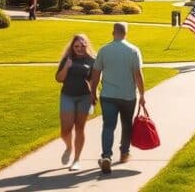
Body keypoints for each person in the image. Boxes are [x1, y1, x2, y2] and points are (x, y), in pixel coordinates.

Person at [89, 22, 146, 174]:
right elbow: (138, 75)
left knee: (108, 126)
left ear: (112, 32)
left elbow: (96, 73)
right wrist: (142, 94)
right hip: (128, 96)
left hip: (108, 95)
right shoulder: (133, 51)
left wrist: (93, 92)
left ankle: (106, 156)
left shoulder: (103, 50)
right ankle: (124, 153)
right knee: (127, 125)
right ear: (126, 33)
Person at [55, 34, 95, 171]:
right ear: (72, 46)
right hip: (67, 96)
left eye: (82, 46)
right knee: (65, 130)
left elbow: (93, 81)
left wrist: (93, 97)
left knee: (79, 128)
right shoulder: (67, 59)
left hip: (84, 97)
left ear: (86, 45)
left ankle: (77, 160)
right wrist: (66, 66)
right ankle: (69, 147)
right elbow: (59, 79)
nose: (79, 48)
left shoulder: (92, 60)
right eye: (76, 46)